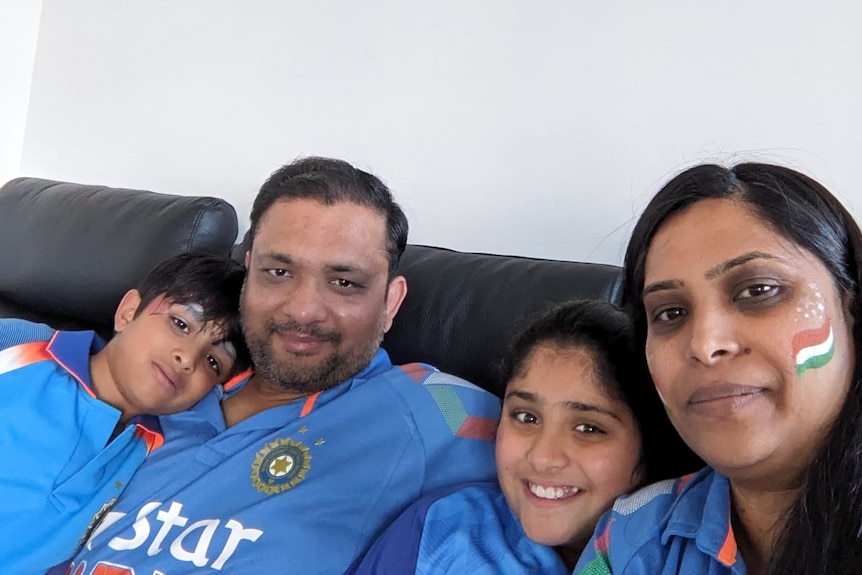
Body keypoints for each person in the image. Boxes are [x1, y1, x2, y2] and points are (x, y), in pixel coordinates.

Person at [64, 157, 501, 574]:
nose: (304, 310)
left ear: (390, 302)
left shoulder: (431, 406)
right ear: (248, 271)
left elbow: (553, 460)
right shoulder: (175, 377)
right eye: (279, 272)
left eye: (344, 282)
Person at [575, 163, 862, 575]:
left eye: (758, 291)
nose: (705, 345)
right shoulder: (628, 538)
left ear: (850, 310)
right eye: (671, 313)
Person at [346, 299, 699, 574]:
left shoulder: (687, 554)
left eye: (588, 428)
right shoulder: (441, 526)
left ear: (647, 446)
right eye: (526, 417)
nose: (543, 457)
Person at [0, 252, 249, 575]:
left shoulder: (158, 453)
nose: (188, 358)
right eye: (181, 323)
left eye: (214, 362)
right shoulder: (17, 347)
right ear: (129, 312)